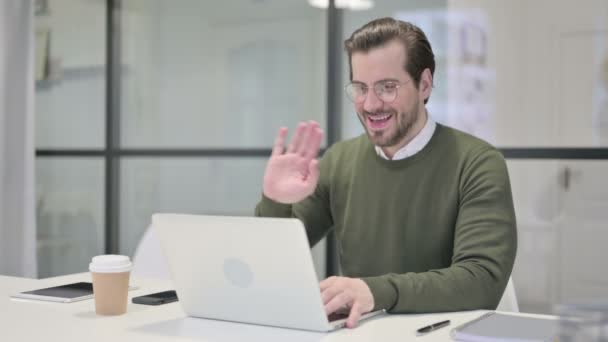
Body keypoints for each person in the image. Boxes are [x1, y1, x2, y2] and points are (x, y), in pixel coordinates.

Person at [255, 17, 517, 328]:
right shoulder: (339, 160)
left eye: (388, 87)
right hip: (361, 332)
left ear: (424, 84)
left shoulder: (477, 162)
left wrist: (375, 291)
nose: (370, 104)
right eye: (360, 88)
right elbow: (269, 263)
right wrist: (275, 201)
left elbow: (481, 281)